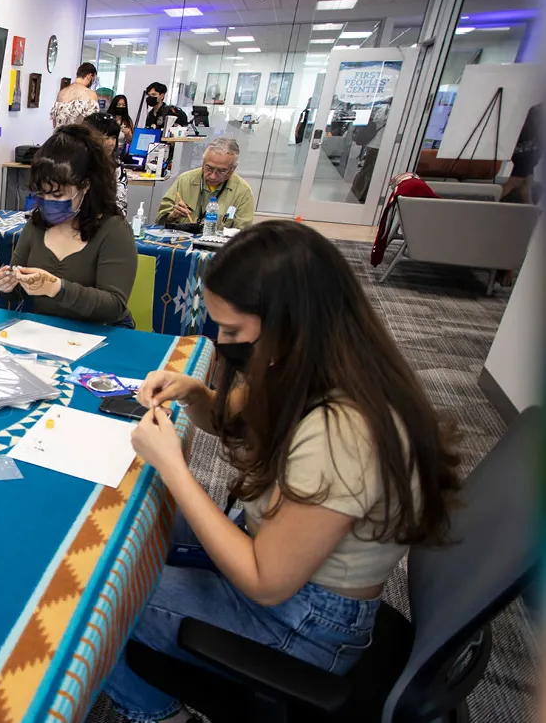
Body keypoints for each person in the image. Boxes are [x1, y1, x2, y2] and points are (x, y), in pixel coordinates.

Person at [104, 220, 461, 722]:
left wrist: (174, 468)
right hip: (283, 568)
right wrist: (196, 393)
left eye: (231, 331)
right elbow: (232, 425)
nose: (223, 342)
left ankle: (161, 715)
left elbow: (266, 581)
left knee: (96, 604)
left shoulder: (344, 432)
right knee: (119, 532)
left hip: (305, 622)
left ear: (287, 323)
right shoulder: (309, 366)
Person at [0, 124, 137, 326]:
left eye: (58, 194)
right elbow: (19, 290)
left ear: (85, 186)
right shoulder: (36, 225)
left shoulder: (113, 229)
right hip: (49, 333)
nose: (48, 201)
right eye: (42, 194)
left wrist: (58, 288)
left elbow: (114, 306)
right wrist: (7, 284)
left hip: (103, 334)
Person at [156, 137, 254, 230]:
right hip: (181, 243)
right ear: (203, 163)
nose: (213, 176)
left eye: (222, 171)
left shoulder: (242, 192)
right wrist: (172, 216)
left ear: (233, 169)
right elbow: (159, 221)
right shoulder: (185, 180)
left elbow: (243, 237)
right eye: (209, 168)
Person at [84, 112, 131, 214]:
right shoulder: (79, 162)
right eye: (106, 137)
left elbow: (120, 206)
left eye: (114, 137)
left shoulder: (117, 166)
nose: (111, 143)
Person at [50, 62, 100, 129]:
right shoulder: (91, 95)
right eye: (93, 80)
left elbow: (54, 123)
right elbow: (92, 125)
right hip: (79, 137)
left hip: (60, 137)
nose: (92, 83)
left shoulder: (62, 92)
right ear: (89, 76)